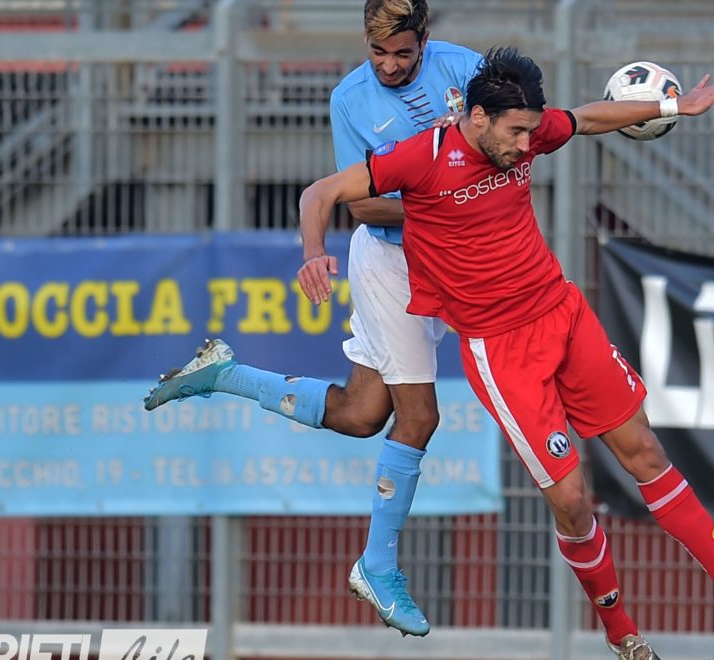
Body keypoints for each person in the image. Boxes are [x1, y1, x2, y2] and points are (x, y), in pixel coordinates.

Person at [295, 46, 714, 660]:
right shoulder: (424, 156)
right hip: (501, 350)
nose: (527, 145)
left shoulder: (525, 131)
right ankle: (622, 634)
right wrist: (314, 252)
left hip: (563, 314)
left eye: (531, 132)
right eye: (516, 133)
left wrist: (675, 106)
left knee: (644, 449)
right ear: (479, 118)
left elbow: (588, 117)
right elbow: (321, 192)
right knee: (571, 501)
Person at [142, 0, 481, 638]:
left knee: (362, 414)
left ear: (425, 40)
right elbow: (364, 206)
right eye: (377, 53)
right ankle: (377, 565)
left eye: (402, 54)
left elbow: (512, 138)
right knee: (420, 417)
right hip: (393, 265)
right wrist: (443, 205)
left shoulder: (467, 70)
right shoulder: (350, 99)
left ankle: (224, 375)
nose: (388, 66)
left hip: (456, 258)